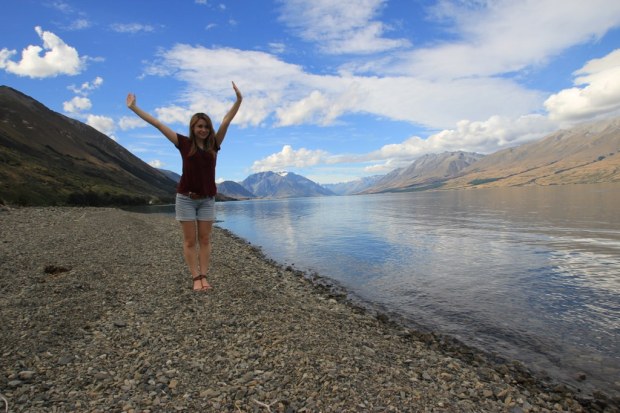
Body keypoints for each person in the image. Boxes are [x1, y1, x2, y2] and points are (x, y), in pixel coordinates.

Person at [126, 82, 243, 291]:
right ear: (193, 128)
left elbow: (226, 120)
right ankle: (195, 277)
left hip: (207, 199)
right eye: (199, 126)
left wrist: (239, 101)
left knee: (205, 239)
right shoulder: (184, 143)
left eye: (206, 126)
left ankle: (204, 275)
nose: (203, 130)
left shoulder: (214, 145)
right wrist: (134, 108)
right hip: (186, 199)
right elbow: (158, 124)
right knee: (190, 241)